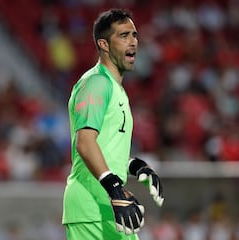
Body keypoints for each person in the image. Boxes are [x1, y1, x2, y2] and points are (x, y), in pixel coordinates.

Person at [62, 9, 164, 240]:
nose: (133, 42)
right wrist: (115, 188)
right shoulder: (96, 83)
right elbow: (85, 144)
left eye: (135, 35)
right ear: (104, 44)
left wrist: (135, 166)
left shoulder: (115, 89)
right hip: (92, 209)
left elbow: (103, 147)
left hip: (111, 206)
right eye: (124, 35)